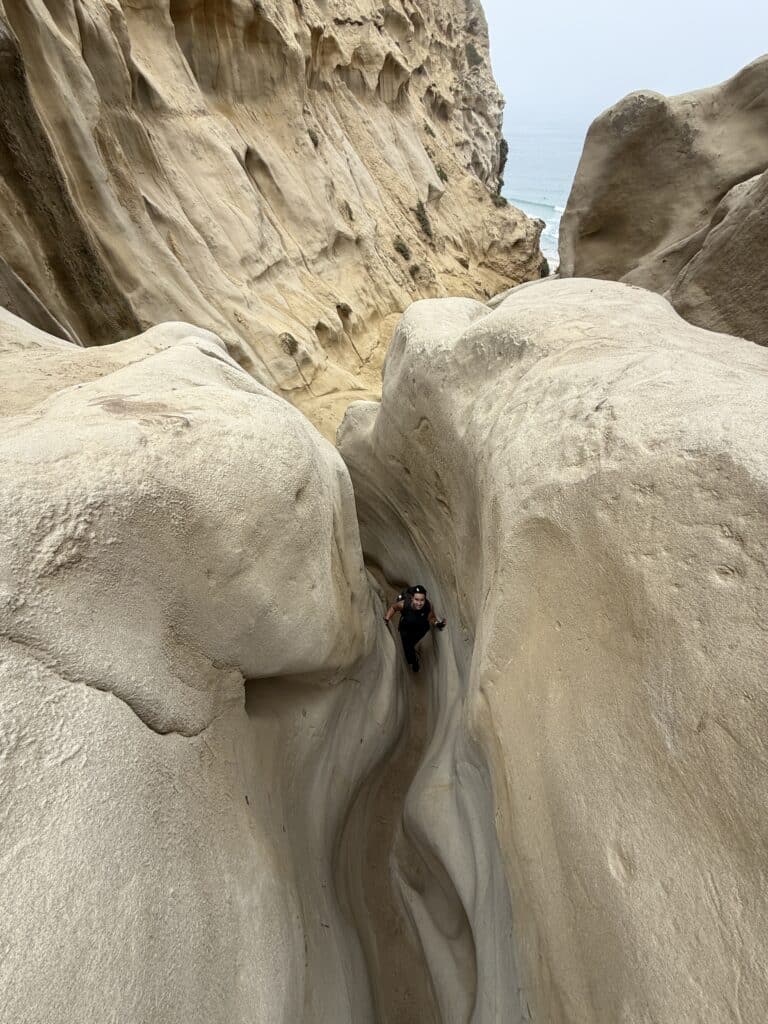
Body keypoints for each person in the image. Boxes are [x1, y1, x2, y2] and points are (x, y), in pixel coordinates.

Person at [383, 585, 446, 672]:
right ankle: (414, 660)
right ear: (412, 598)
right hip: (405, 629)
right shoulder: (404, 604)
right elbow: (393, 608)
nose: (419, 603)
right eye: (417, 599)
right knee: (408, 651)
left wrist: (437, 624)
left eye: (422, 600)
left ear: (425, 599)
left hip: (420, 630)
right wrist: (386, 619)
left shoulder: (426, 606)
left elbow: (431, 617)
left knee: (411, 645)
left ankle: (413, 654)